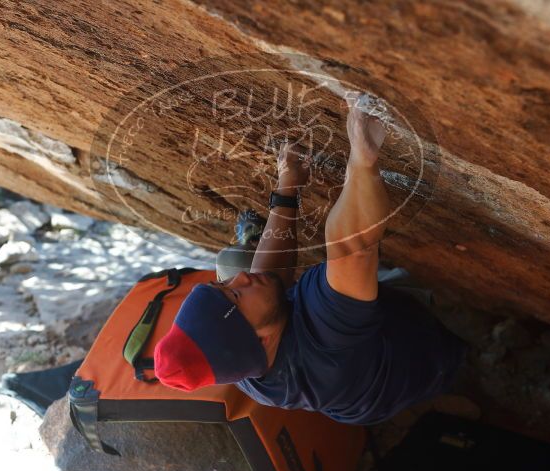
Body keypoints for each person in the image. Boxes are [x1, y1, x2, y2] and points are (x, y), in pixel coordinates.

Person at [154, 93, 466, 425]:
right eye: (233, 295)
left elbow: (265, 280)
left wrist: (287, 188)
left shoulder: (235, 359)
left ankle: (252, 265)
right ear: (260, 340)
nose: (240, 281)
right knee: (358, 270)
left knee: (233, 262)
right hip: (417, 354)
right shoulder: (326, 340)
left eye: (221, 287)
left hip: (341, 366)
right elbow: (353, 247)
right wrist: (362, 157)